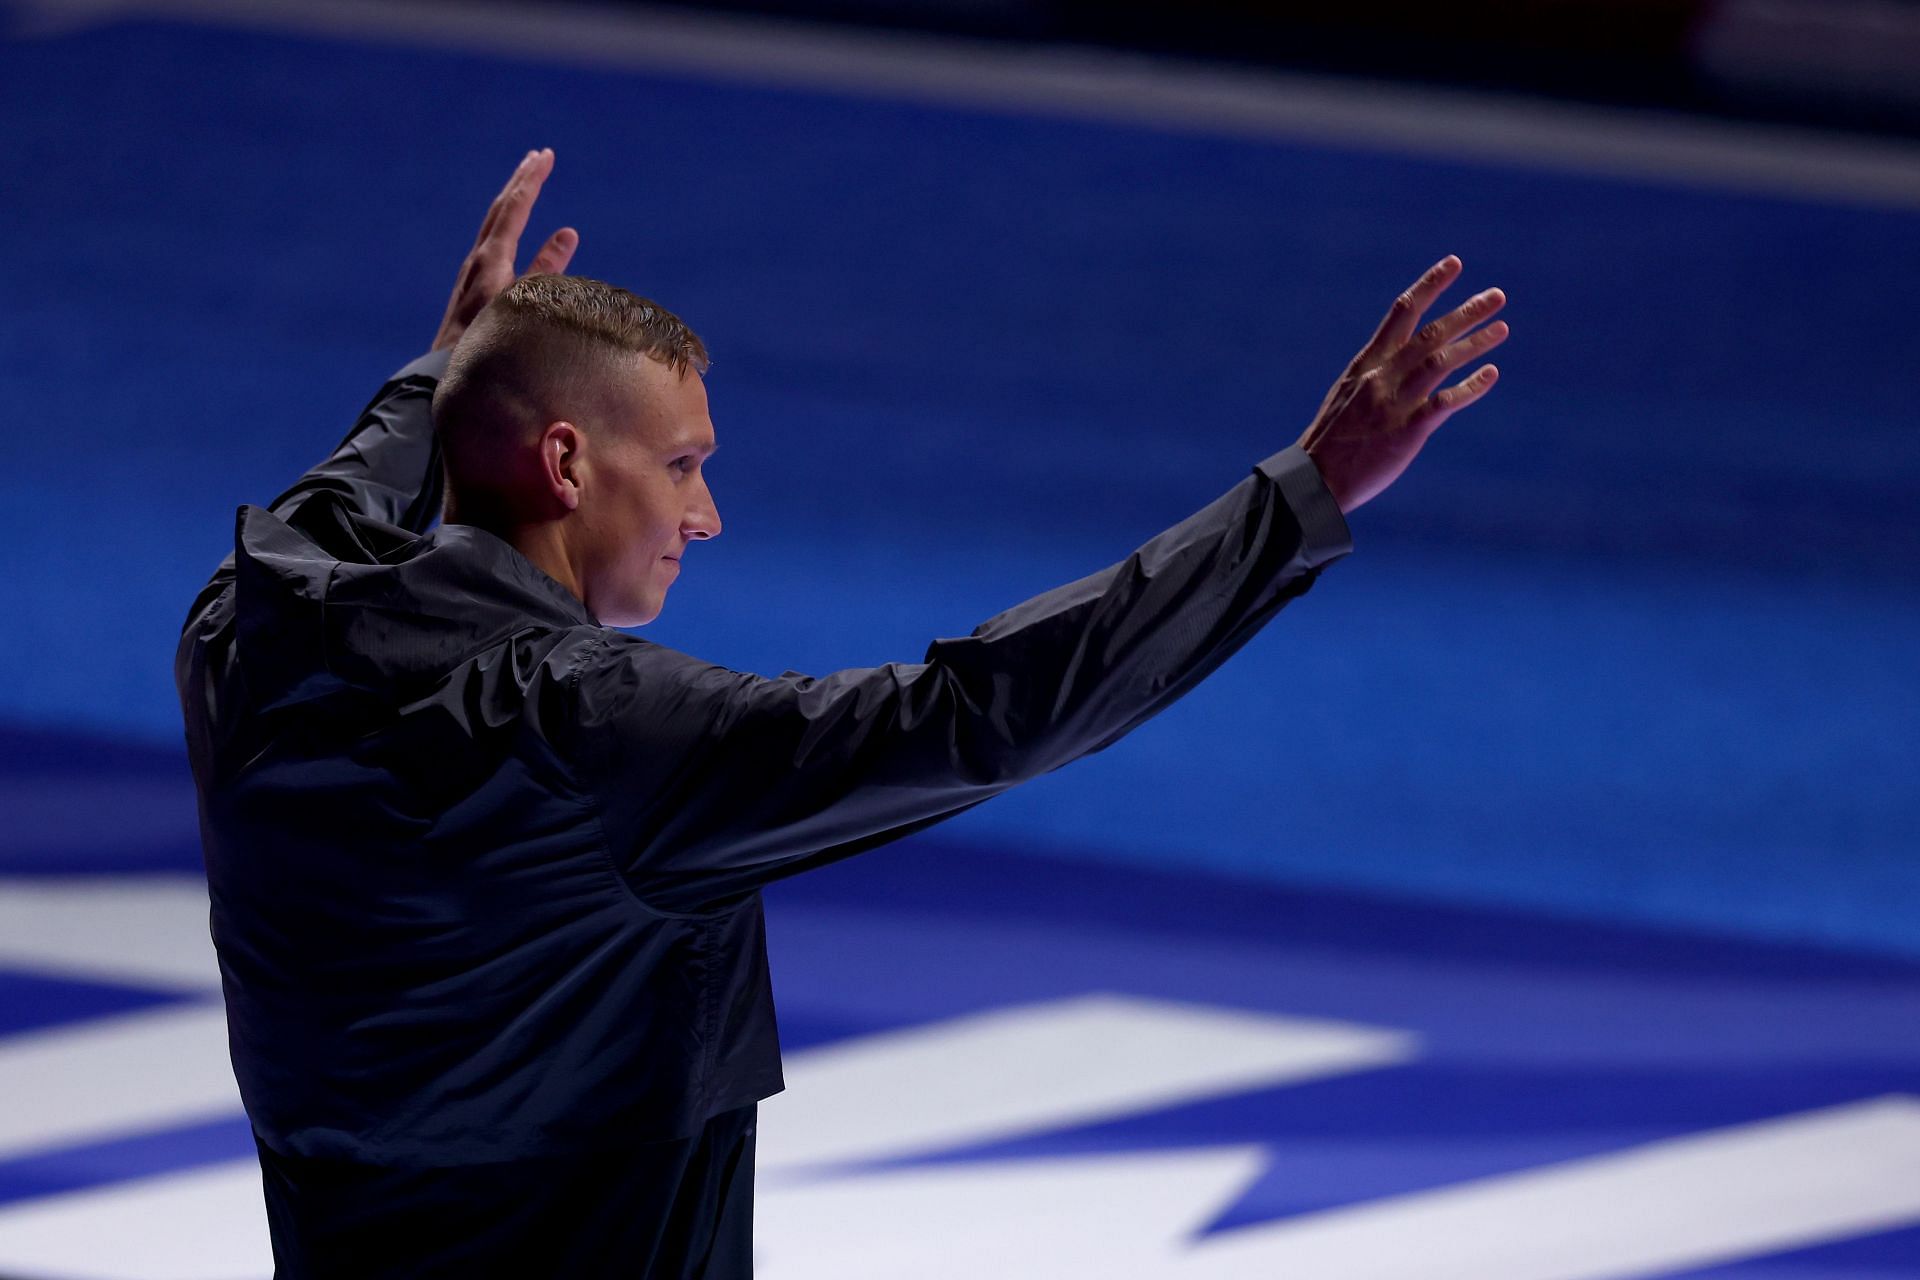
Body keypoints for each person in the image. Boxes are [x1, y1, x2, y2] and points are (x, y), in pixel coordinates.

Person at [174, 148, 1508, 1278]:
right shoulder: (605, 741)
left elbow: (343, 494)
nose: (705, 514)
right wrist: (1302, 497)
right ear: (568, 462)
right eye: (684, 464)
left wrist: (445, 367)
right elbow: (977, 714)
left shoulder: (245, 636)